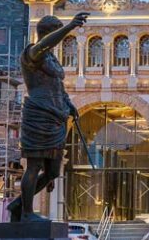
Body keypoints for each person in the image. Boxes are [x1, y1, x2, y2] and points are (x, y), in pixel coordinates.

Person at [7, 12, 89, 222]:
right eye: (56, 33)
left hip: (56, 116)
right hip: (39, 114)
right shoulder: (32, 53)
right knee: (34, 165)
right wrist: (70, 26)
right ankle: (26, 213)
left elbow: (57, 86)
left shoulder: (51, 57)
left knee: (52, 171)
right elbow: (45, 44)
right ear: (46, 34)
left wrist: (69, 104)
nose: (59, 40)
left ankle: (17, 205)